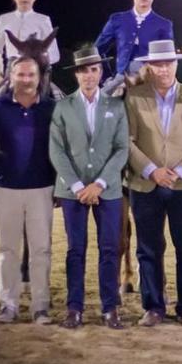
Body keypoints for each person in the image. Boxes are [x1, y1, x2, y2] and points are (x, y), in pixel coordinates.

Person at [125, 40, 182, 327]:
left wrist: (181, 171)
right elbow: (128, 140)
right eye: (158, 64)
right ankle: (153, 307)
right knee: (148, 248)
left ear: (176, 64)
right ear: (150, 66)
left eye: (169, 63)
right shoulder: (134, 97)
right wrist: (151, 170)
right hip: (145, 185)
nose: (164, 69)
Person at [49, 46, 129, 329]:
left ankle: (110, 308)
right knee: (76, 250)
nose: (88, 75)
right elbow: (57, 151)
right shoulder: (63, 107)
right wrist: (79, 185)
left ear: (101, 72)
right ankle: (74, 308)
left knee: (109, 248)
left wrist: (100, 183)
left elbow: (121, 149)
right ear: (77, 74)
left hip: (107, 189)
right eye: (83, 70)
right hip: (72, 191)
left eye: (93, 69)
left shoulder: (117, 107)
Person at [0, 57, 56, 325]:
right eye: (20, 74)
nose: (25, 79)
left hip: (42, 187)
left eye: (30, 74)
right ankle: (8, 305)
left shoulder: (50, 107)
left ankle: (41, 307)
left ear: (39, 77)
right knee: (7, 249)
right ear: (11, 77)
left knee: (41, 250)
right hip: (6, 188)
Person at [95, 0, 173, 94]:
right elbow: (98, 50)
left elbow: (168, 58)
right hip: (121, 78)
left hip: (150, 80)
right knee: (101, 104)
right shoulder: (117, 19)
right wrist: (106, 77)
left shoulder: (164, 24)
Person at [0, 0, 60, 85]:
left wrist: (39, 59)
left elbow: (54, 53)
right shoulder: (5, 19)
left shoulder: (43, 20)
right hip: (12, 71)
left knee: (54, 99)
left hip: (37, 72)